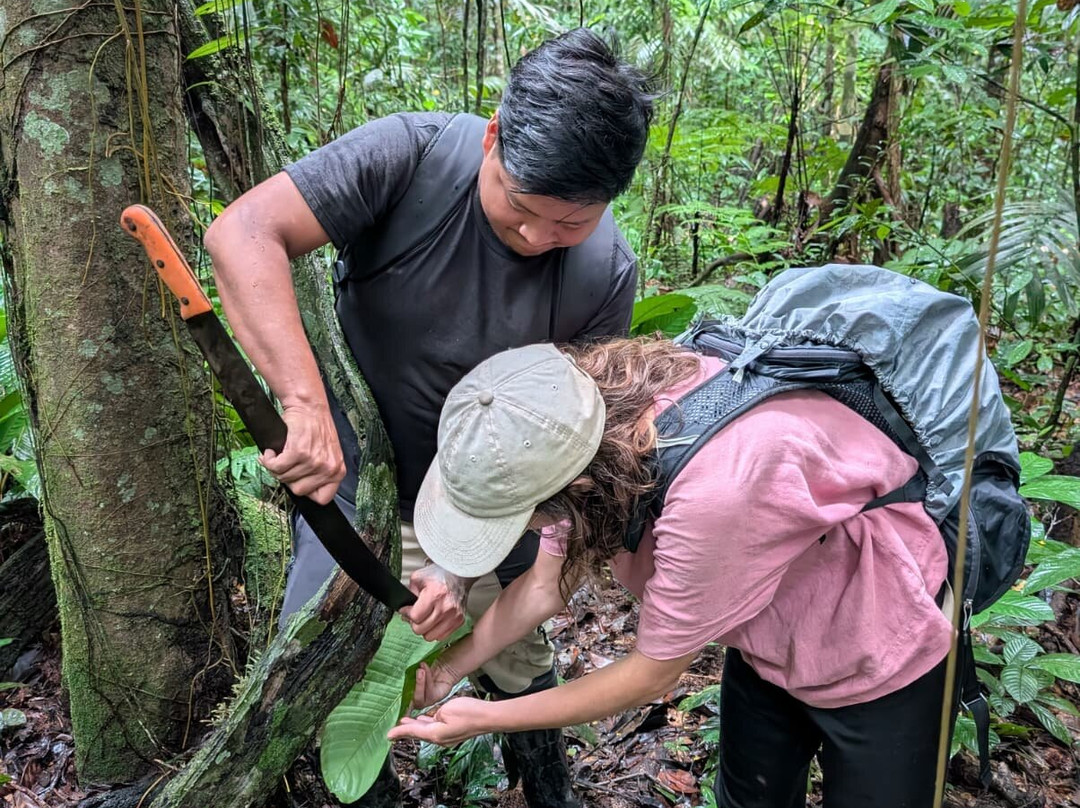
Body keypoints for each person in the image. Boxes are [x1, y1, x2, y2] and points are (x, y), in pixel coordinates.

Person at [204, 28, 654, 808]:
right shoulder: (408, 158)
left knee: (517, 657)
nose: (540, 237)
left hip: (495, 503)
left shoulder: (603, 272)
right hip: (357, 484)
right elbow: (242, 234)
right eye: (522, 208)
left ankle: (546, 789)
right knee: (330, 661)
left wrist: (460, 562)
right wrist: (303, 404)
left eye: (569, 223)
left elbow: (566, 442)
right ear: (492, 139)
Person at [387, 339, 959, 808]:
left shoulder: (710, 494)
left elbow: (650, 676)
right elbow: (543, 586)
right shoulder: (575, 434)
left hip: (876, 648)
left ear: (569, 488)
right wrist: (448, 670)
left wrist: (491, 716)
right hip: (766, 636)